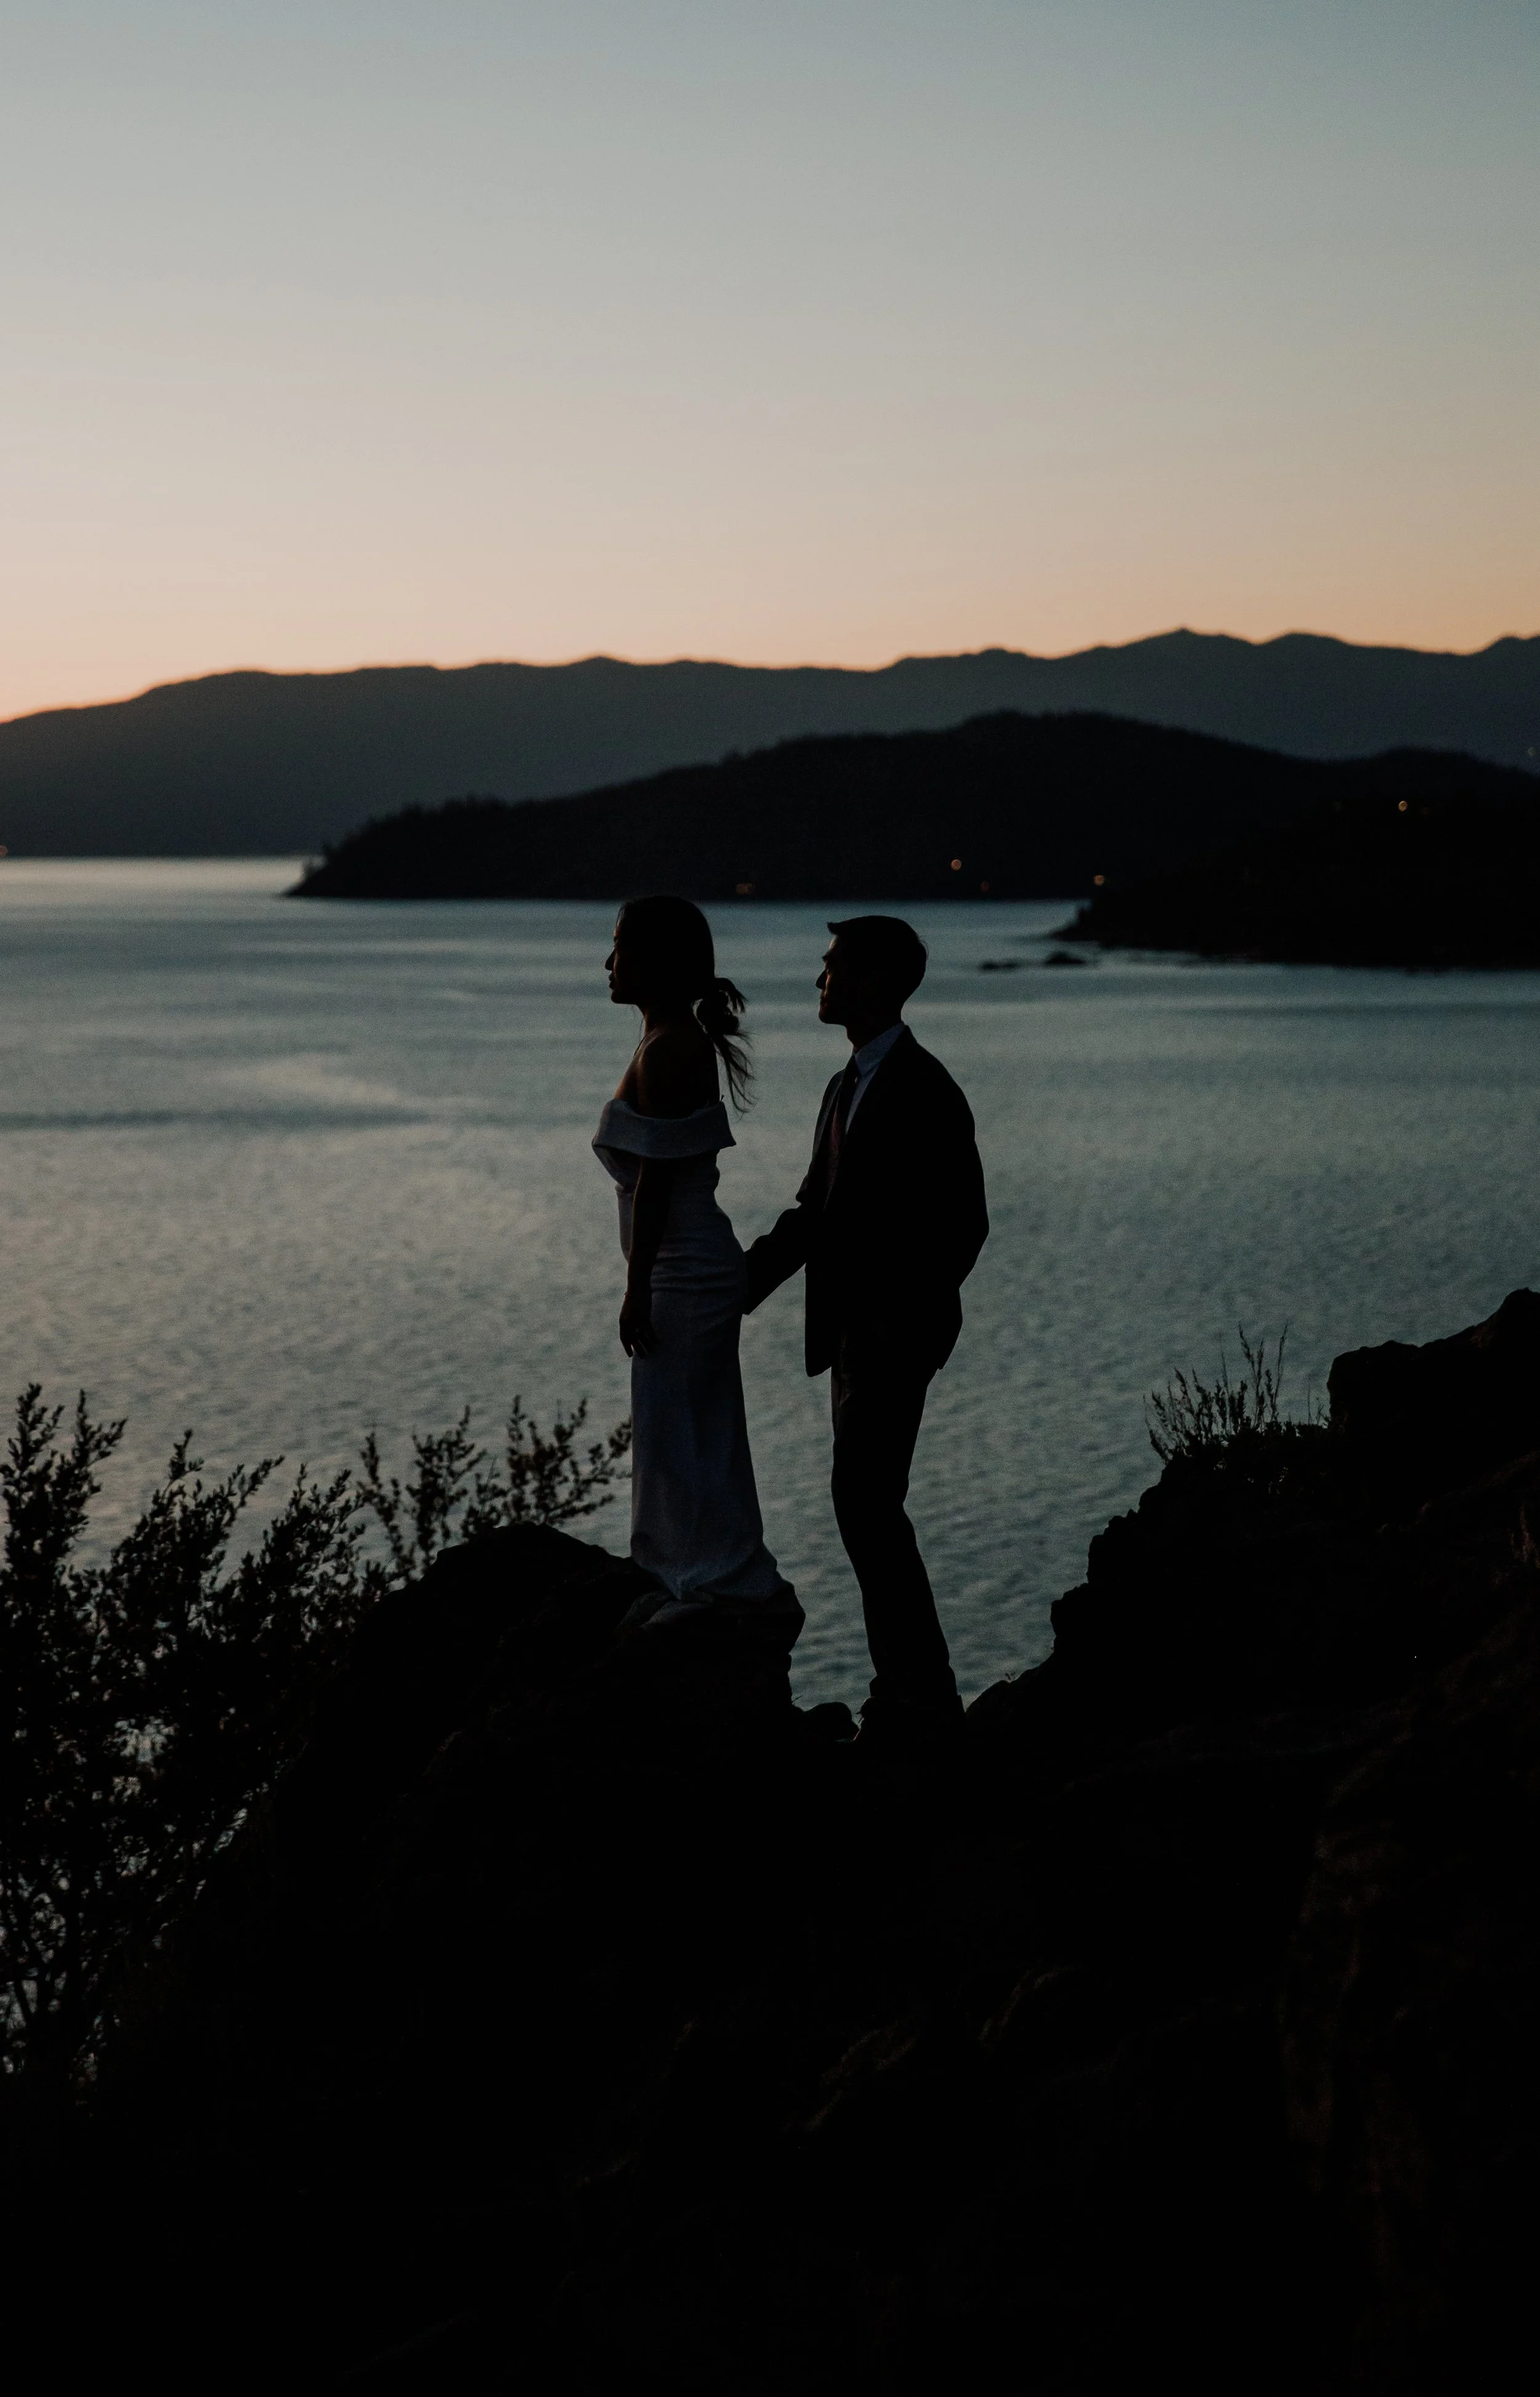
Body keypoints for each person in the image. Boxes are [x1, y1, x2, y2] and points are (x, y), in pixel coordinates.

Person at [743, 916, 987, 1746]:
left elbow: (965, 1225)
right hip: (852, 1336)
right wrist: (740, 1284)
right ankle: (914, 1690)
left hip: (892, 1336)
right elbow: (817, 1209)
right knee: (868, 1507)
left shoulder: (925, 1088)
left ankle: (917, 1696)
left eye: (835, 967)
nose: (821, 980)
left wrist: (900, 1317)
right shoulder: (846, 1085)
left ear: (877, 982)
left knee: (867, 1504)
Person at [593, 894, 799, 1637]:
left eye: (620, 948)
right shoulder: (661, 1038)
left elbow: (658, 1181)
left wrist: (635, 1286)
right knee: (680, 1427)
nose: (608, 963)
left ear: (656, 960)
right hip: (680, 1265)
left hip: (680, 1267)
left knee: (681, 1428)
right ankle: (690, 1569)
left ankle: (710, 1578)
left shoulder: (672, 1046)